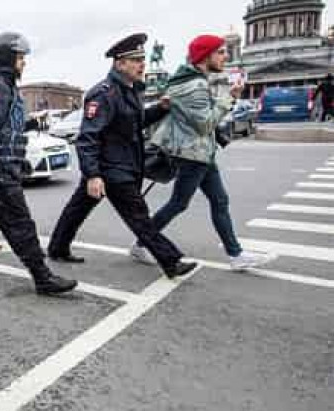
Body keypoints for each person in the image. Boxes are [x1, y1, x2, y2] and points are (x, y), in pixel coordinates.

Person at [48, 33, 197, 279]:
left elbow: (134, 123)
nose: (142, 65)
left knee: (77, 209)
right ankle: (171, 261)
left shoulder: (129, 91)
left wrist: (161, 108)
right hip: (111, 169)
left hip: (123, 165)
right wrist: (94, 174)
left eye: (143, 59)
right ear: (119, 63)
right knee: (138, 216)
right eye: (135, 59)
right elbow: (88, 137)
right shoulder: (104, 94)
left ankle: (57, 247)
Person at [132, 34, 275, 271]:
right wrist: (230, 97)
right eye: (220, 52)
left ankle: (236, 255)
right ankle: (142, 242)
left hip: (201, 153)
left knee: (218, 200)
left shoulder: (195, 80)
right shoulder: (194, 85)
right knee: (179, 204)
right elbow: (205, 124)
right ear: (205, 56)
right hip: (192, 155)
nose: (225, 56)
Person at [0, 32, 77, 295]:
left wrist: (27, 123)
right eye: (20, 57)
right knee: (20, 223)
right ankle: (42, 278)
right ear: (8, 58)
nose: (24, 63)